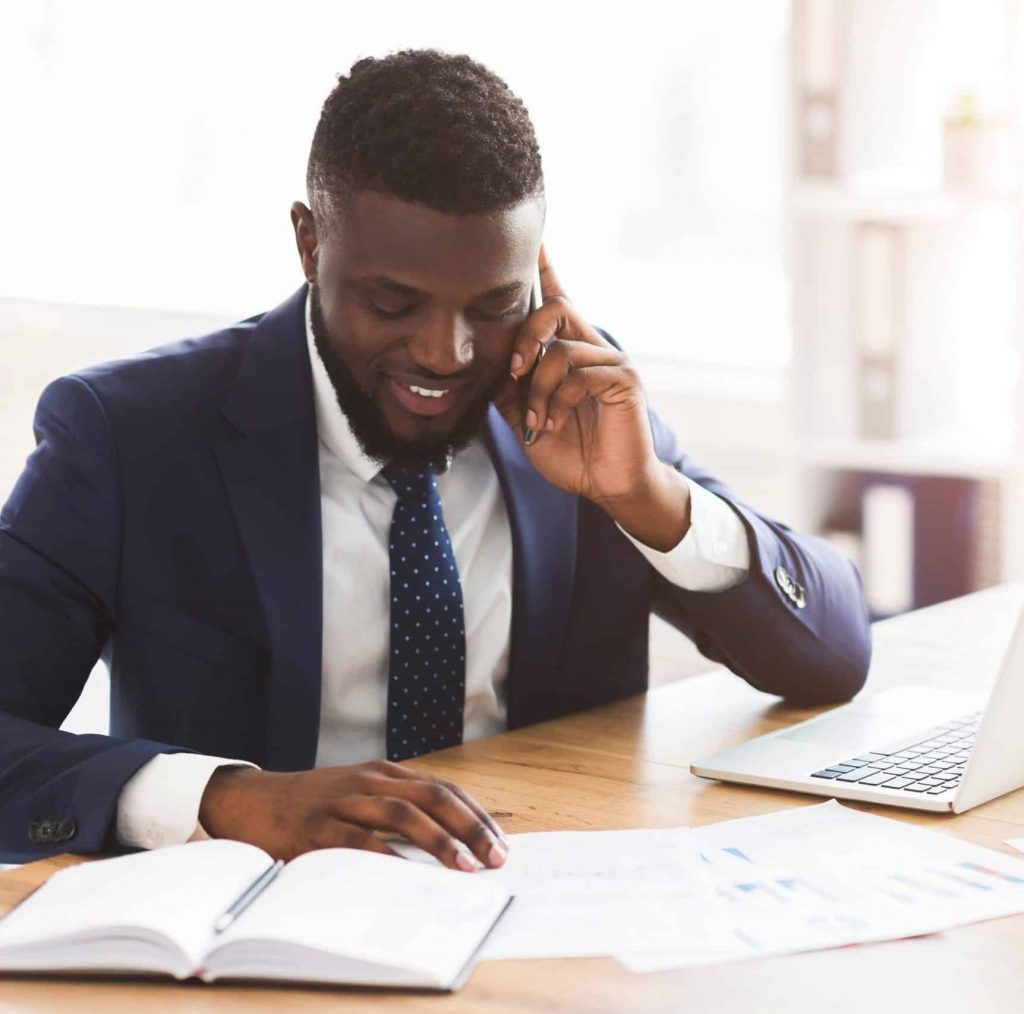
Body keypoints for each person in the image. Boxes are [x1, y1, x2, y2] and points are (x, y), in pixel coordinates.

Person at [0, 50, 871, 868]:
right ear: (309, 244)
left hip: (542, 895)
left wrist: (646, 496)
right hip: (257, 922)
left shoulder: (575, 409)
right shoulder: (131, 436)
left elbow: (830, 660)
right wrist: (224, 798)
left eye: (492, 306)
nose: (446, 354)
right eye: (392, 303)